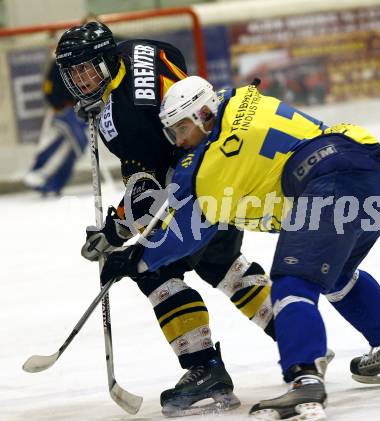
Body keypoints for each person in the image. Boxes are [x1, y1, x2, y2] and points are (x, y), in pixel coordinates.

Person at [100, 75, 380, 420]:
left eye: (182, 129)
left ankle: (305, 382)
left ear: (204, 116)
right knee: (337, 274)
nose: (179, 141)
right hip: (374, 171)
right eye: (172, 133)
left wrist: (138, 260)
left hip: (329, 181)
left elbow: (190, 233)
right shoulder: (236, 98)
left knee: (292, 281)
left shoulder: (214, 167)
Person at [55, 22, 280, 416]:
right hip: (220, 168)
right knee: (223, 264)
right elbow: (172, 58)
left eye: (88, 70)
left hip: (192, 187)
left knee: (152, 270)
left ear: (107, 61)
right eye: (74, 73)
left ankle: (204, 368)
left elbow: (149, 193)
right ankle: (297, 338)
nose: (81, 81)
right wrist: (104, 96)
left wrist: (113, 232)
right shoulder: (137, 47)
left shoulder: (125, 118)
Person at [23, 51, 88, 195]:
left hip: (76, 111)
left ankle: (52, 183)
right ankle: (40, 172)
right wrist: (58, 106)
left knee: (72, 146)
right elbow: (48, 89)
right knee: (78, 142)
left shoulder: (79, 63)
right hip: (63, 112)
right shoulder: (57, 64)